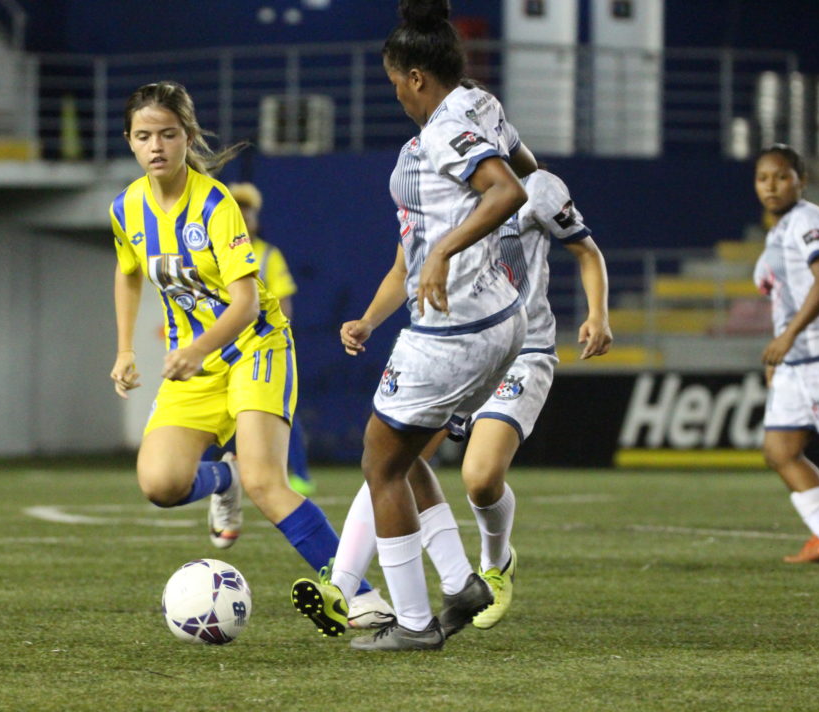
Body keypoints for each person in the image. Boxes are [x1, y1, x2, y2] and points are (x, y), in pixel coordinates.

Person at [292, 0, 536, 651]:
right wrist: (374, 316)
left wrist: (450, 251)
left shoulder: (443, 130)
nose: (395, 92)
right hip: (497, 317)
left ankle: (414, 623)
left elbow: (508, 189)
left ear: (418, 77)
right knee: (403, 452)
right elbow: (529, 171)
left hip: (454, 328)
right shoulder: (480, 103)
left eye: (396, 80)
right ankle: (460, 584)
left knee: (380, 462)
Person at [108, 81, 392, 624]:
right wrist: (124, 350)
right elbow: (126, 273)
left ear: (187, 136)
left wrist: (197, 348)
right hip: (198, 363)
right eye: (143, 136)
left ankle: (362, 599)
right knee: (160, 485)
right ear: (129, 141)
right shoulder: (126, 208)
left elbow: (244, 303)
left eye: (168, 134)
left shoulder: (216, 205)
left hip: (255, 347)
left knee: (268, 482)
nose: (156, 146)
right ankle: (225, 478)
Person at [307, 166, 613, 643]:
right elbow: (404, 269)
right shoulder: (436, 188)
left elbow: (586, 250)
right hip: (456, 349)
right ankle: (344, 586)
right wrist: (368, 320)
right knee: (395, 461)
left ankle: (495, 564)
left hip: (522, 348)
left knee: (480, 478)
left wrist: (598, 315)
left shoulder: (537, 186)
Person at [752, 143, 819, 563]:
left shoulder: (809, 219)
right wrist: (782, 348)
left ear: (801, 181)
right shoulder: (778, 231)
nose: (771, 186)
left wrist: (787, 337)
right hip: (796, 359)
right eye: (763, 178)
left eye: (782, 177)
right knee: (780, 450)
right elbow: (785, 298)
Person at [226, 181, 316, 497]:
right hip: (224, 346)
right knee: (217, 413)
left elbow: (283, 299)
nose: (245, 220)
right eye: (239, 214)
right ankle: (207, 472)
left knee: (281, 411)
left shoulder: (267, 255)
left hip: (261, 346)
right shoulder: (216, 252)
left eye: (249, 215)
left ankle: (300, 474)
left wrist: (281, 336)